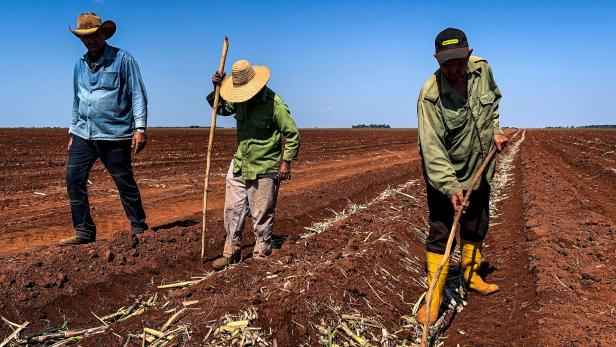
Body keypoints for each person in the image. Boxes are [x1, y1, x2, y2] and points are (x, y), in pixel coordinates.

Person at [415, 28, 509, 324]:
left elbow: (493, 100)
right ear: (436, 60)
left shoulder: (482, 70)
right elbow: (432, 149)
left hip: (480, 168)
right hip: (447, 176)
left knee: (477, 223)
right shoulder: (430, 96)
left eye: (458, 62)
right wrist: (451, 187)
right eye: (446, 65)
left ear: (468, 55)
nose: (453, 70)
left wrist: (495, 130)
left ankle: (470, 275)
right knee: (442, 231)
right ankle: (434, 298)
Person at [59, 13, 149, 245]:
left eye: (94, 36)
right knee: (73, 178)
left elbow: (137, 94)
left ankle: (139, 227)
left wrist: (140, 128)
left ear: (103, 34)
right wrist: (72, 130)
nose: (90, 41)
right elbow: (77, 99)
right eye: (85, 38)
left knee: (123, 181)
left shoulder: (123, 59)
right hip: (83, 132)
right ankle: (84, 231)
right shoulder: (79, 64)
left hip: (114, 133)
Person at [207, 60, 300, 270]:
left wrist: (286, 162)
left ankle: (261, 252)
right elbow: (220, 108)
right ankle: (231, 252)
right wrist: (216, 88)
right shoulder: (239, 100)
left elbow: (292, 134)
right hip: (240, 162)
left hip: (265, 165)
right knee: (233, 208)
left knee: (261, 212)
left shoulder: (275, 104)